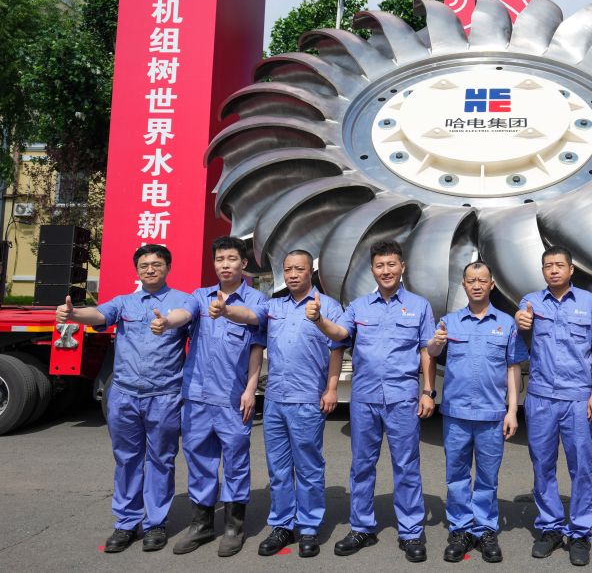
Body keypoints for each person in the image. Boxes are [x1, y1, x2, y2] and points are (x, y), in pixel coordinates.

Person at [55, 244, 191, 553]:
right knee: (127, 459)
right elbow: (99, 314)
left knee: (161, 460)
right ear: (137, 270)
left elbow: (185, 317)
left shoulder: (182, 300)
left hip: (164, 396)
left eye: (156, 264)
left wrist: (168, 322)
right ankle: (127, 522)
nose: (150, 269)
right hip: (125, 395)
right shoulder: (124, 302)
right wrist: (75, 314)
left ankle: (156, 523)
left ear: (168, 268)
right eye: (144, 265)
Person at [217, 249, 346, 558]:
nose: (292, 274)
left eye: (299, 269)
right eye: (288, 269)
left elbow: (337, 348)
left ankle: (309, 527)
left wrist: (331, 389)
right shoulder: (273, 306)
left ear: (310, 272)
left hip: (307, 399)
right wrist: (226, 311)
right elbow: (250, 317)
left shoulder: (327, 305)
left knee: (308, 467)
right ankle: (282, 524)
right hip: (275, 399)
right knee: (278, 468)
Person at [314, 240, 436, 563]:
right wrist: (319, 320)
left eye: (391, 264)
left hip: (402, 398)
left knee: (406, 466)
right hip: (365, 398)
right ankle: (361, 527)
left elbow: (426, 350)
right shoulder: (358, 307)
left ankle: (411, 531)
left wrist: (428, 391)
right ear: (372, 270)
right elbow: (339, 335)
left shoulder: (420, 306)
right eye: (380, 265)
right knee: (362, 465)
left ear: (402, 267)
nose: (386, 270)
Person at [151, 236, 266, 557]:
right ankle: (201, 524)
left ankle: (233, 526)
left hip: (233, 398)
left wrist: (250, 390)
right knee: (199, 458)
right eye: (219, 259)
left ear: (244, 263)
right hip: (198, 395)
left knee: (236, 460)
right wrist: (167, 321)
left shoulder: (257, 299)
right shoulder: (200, 297)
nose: (225, 265)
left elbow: (254, 331)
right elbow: (183, 314)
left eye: (232, 259)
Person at [426, 261, 526, 564]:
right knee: (456, 475)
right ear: (464, 285)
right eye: (471, 280)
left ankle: (484, 529)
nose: (477, 285)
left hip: (491, 415)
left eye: (482, 280)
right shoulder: (450, 322)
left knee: (487, 477)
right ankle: (460, 529)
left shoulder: (506, 323)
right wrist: (435, 343)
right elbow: (432, 353)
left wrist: (512, 411)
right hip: (456, 415)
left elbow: (513, 369)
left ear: (491, 284)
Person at [514, 246, 592, 566]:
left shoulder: (589, 302)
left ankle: (579, 532)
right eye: (548, 266)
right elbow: (521, 324)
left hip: (578, 397)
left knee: (581, 467)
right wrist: (520, 321)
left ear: (571, 269)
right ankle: (550, 527)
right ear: (542, 271)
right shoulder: (531, 301)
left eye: (559, 265)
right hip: (541, 397)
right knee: (542, 464)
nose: (553, 270)